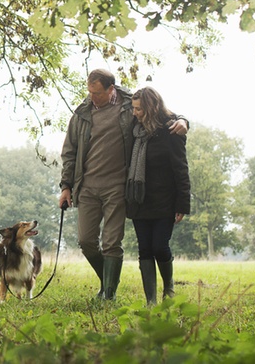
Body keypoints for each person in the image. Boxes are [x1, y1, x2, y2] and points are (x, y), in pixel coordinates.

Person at [58, 69, 187, 301]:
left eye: (96, 93)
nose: (91, 97)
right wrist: (66, 185)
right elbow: (70, 152)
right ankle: (107, 280)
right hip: (87, 187)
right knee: (86, 241)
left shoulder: (129, 107)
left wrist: (183, 120)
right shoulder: (81, 115)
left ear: (111, 89)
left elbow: (158, 113)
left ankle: (109, 294)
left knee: (111, 243)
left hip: (117, 187)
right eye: (89, 92)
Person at [126, 86, 191, 305]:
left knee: (159, 246)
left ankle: (169, 288)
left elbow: (181, 168)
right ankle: (150, 300)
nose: (135, 113)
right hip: (138, 199)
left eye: (139, 110)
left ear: (152, 107)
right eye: (134, 109)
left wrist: (182, 203)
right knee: (144, 248)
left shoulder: (170, 129)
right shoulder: (134, 129)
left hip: (165, 200)